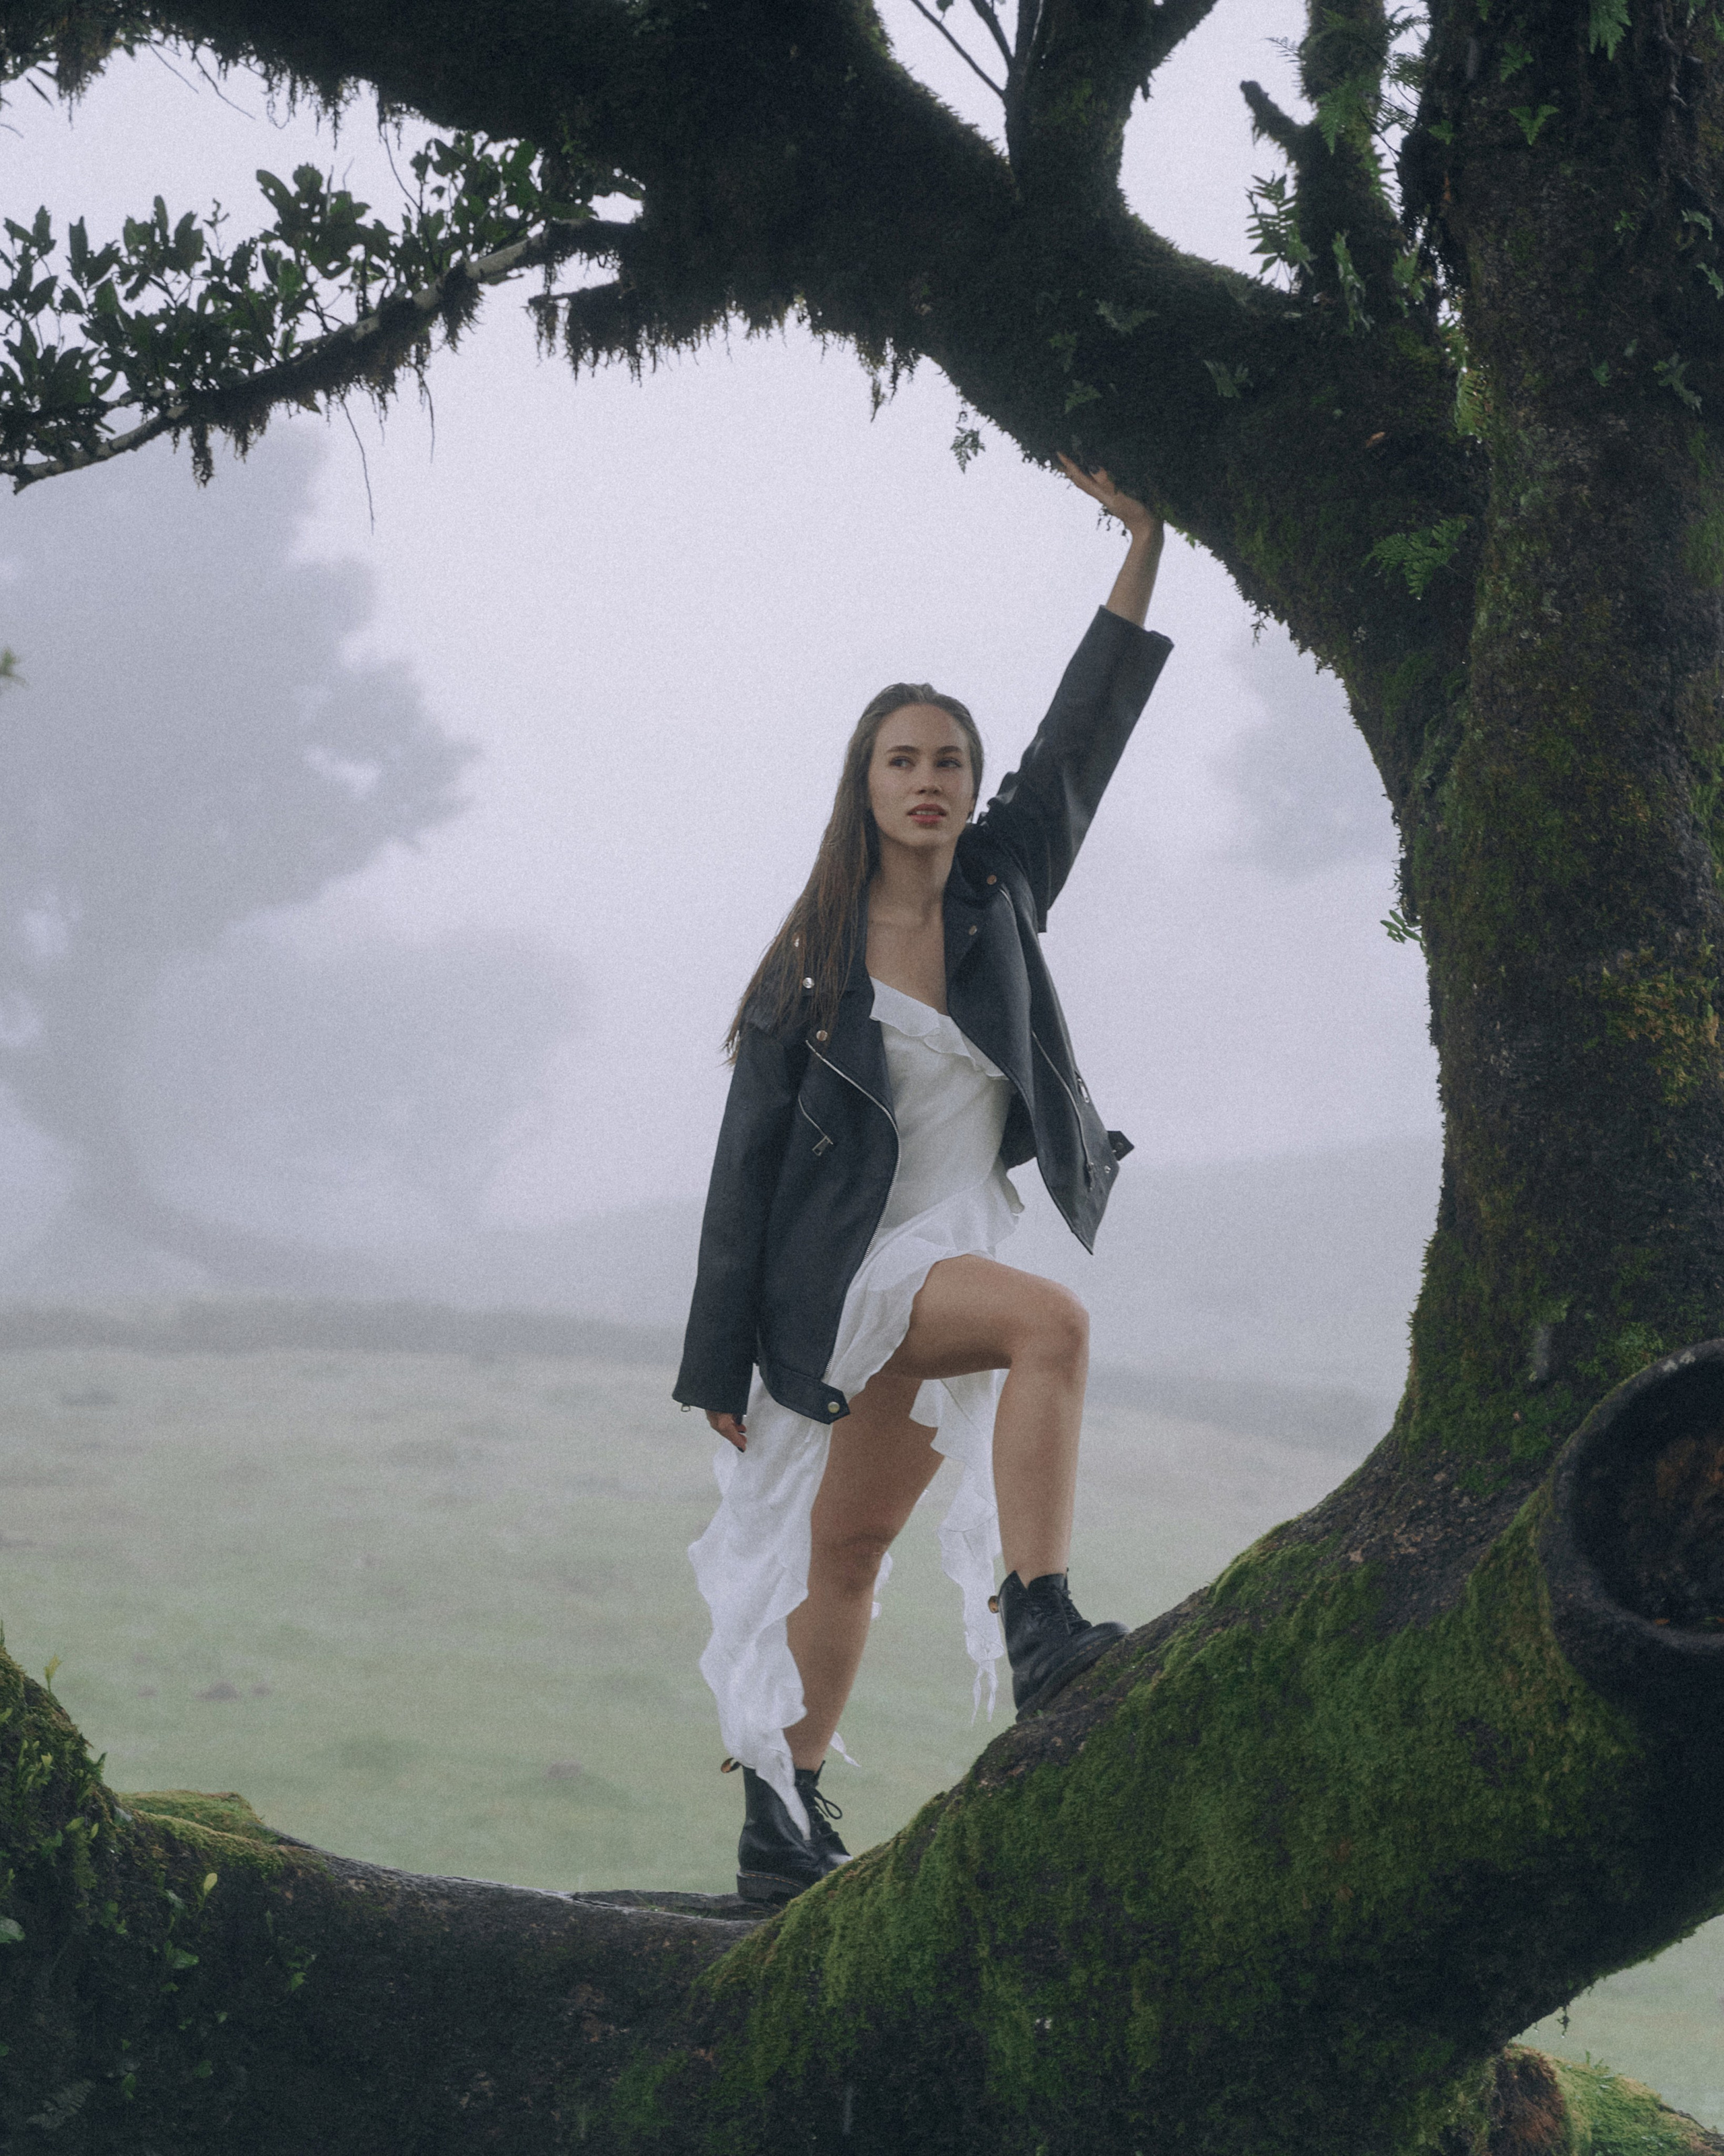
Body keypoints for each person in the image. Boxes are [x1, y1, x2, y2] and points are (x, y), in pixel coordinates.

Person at [675, 459, 1171, 1903]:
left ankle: (778, 1827)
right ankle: (1042, 1624)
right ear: (866, 784)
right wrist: (715, 1361)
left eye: (949, 760)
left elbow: (1083, 734)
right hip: (844, 1278)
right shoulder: (809, 964)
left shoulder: (1000, 887)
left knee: (851, 1549)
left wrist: (1143, 543)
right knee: (1048, 1324)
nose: (930, 780)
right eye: (902, 759)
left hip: (942, 1247)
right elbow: (742, 1172)